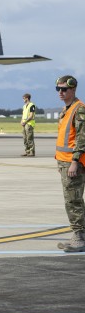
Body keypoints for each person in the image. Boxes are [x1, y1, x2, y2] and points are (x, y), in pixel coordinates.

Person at [54, 75, 85, 253]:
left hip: (73, 163)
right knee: (74, 200)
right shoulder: (67, 109)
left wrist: (74, 162)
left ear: (73, 89)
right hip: (65, 162)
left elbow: (82, 138)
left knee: (73, 201)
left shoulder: (78, 109)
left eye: (64, 89)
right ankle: (81, 236)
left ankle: (79, 237)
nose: (60, 92)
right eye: (58, 89)